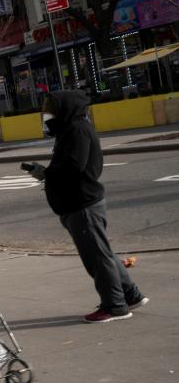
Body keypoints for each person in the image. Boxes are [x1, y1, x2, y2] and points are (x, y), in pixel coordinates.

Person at [26, 92, 147, 323]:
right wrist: (48, 174)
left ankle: (115, 307)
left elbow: (74, 168)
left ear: (65, 109)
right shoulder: (71, 130)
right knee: (104, 254)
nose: (48, 116)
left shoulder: (76, 130)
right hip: (79, 204)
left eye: (52, 111)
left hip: (82, 205)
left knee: (97, 260)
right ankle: (131, 296)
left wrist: (47, 173)